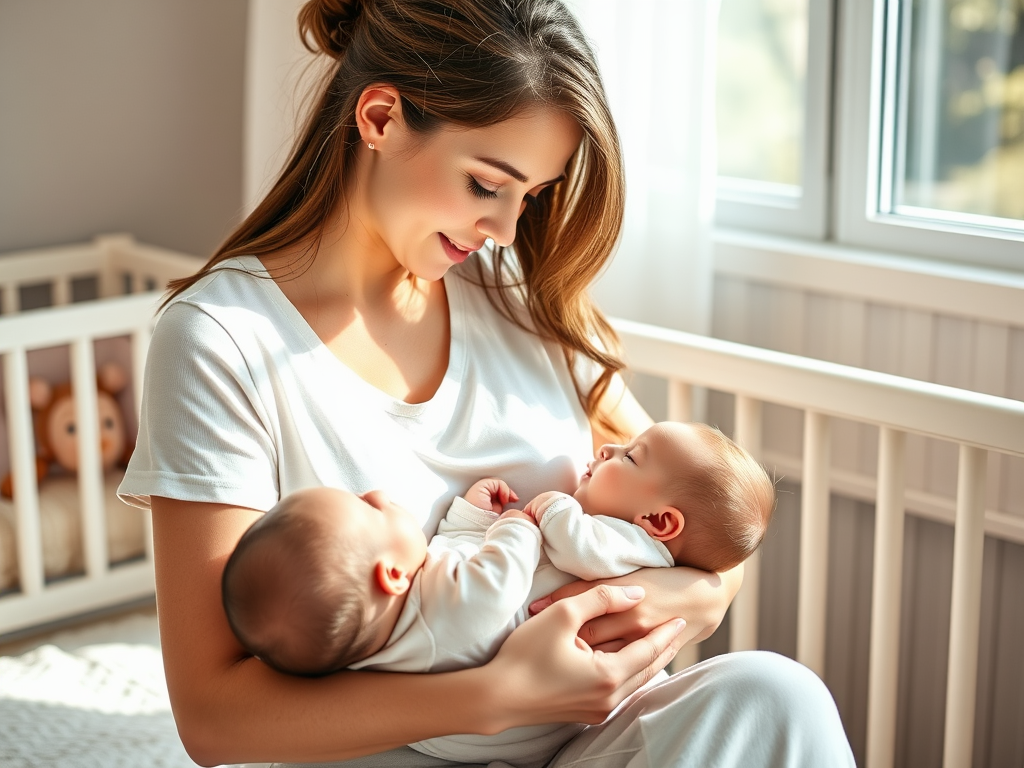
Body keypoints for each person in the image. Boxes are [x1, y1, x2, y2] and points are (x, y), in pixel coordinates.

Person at [118, 0, 856, 765]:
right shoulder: (221, 339)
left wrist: (694, 595)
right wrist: (501, 695)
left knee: (777, 696)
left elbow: (704, 509)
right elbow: (213, 718)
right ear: (380, 118)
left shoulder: (515, 292)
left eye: (530, 195)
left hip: (587, 740)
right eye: (484, 185)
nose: (505, 230)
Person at [222, 421, 775, 767]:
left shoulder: (627, 538)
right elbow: (482, 579)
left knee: (775, 690)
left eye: (627, 455)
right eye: (368, 510)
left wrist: (702, 594)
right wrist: (521, 522)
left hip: (577, 716)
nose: (608, 447)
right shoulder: (436, 597)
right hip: (481, 729)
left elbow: (724, 536)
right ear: (392, 577)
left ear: (659, 520)